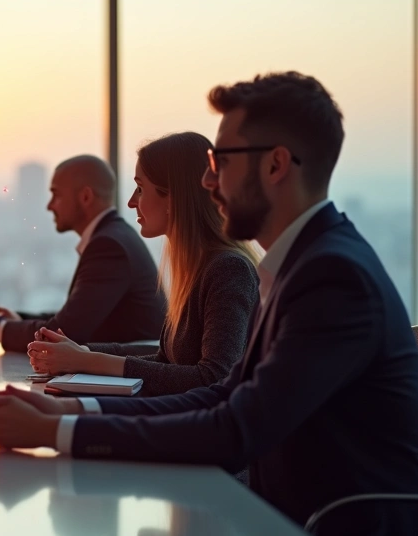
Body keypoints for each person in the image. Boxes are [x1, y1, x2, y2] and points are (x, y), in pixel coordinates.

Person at [0, 72, 418, 536]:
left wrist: (61, 429)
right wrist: (71, 409)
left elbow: (236, 425)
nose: (209, 182)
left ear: (276, 164)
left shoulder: (331, 277)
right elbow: (229, 395)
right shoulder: (305, 264)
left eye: (221, 163)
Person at [27, 132, 260, 396]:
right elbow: (166, 361)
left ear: (172, 198)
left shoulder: (228, 270)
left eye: (140, 188)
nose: (131, 202)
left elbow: (214, 378)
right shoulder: (198, 268)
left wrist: (85, 360)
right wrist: (82, 353)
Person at [0, 155, 165, 352]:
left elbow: (65, 332)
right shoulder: (114, 235)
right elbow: (74, 317)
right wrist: (19, 319)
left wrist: (0, 330)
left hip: (132, 373)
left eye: (56, 195)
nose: (50, 205)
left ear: (85, 197)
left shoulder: (108, 245)